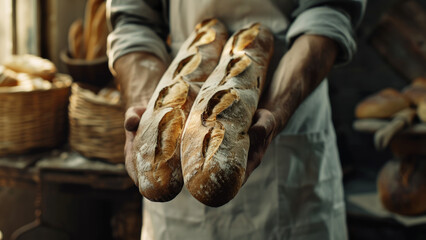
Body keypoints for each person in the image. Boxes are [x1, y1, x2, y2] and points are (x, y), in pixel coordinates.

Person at [107, 0, 366, 239]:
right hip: (180, 213)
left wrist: (279, 107)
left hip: (294, 133)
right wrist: (147, 106)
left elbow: (331, 10)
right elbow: (133, 21)